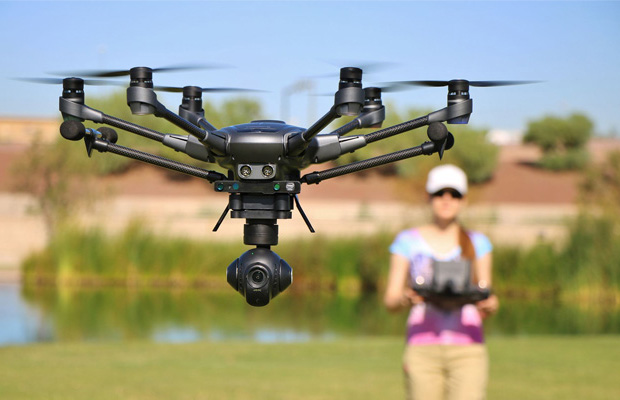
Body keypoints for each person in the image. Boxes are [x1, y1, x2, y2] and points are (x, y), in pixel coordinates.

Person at [383, 164, 499, 400]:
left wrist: (489, 304)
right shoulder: (407, 241)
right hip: (422, 347)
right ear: (429, 197)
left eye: (454, 194)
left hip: (468, 348)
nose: (447, 199)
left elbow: (487, 296)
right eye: (439, 193)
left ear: (464, 200)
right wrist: (406, 298)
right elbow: (390, 301)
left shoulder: (478, 242)